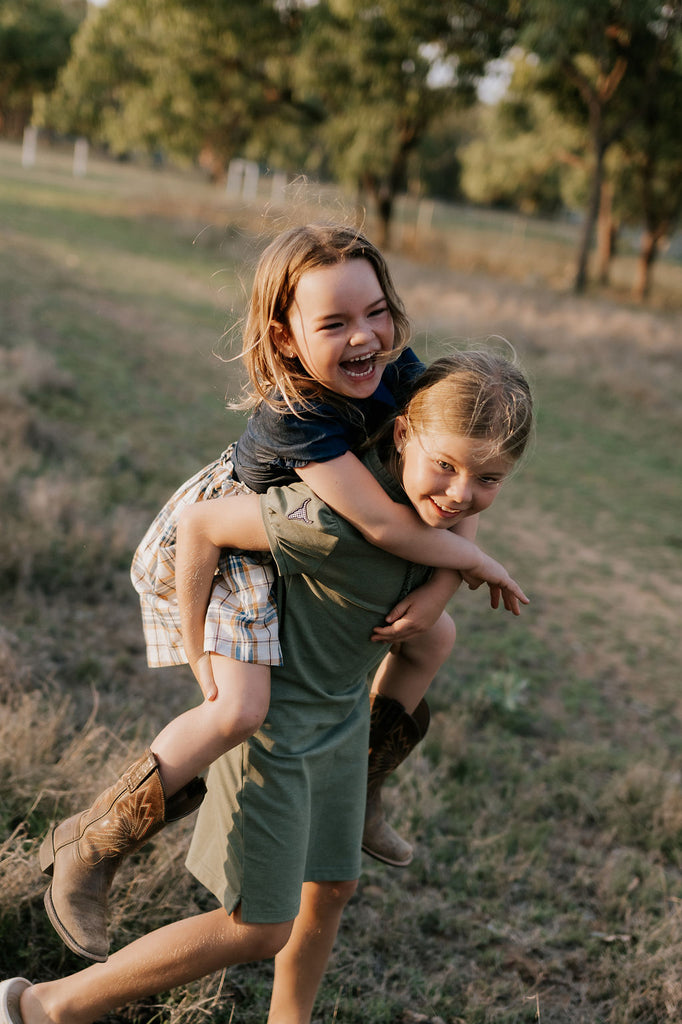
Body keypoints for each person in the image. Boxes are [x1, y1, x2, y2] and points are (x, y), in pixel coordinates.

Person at [39, 225, 528, 965]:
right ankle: (91, 842)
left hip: (285, 534)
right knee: (237, 709)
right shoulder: (297, 417)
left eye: (375, 312)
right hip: (229, 545)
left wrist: (439, 589)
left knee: (435, 638)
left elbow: (437, 484)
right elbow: (376, 522)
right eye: (334, 323)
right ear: (287, 337)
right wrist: (468, 560)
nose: (364, 338)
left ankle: (365, 781)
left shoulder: (398, 373)